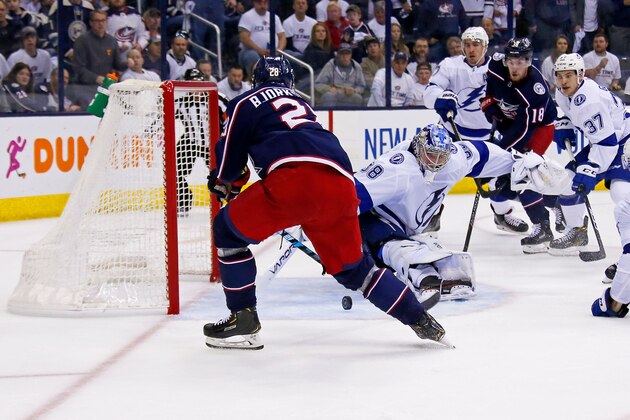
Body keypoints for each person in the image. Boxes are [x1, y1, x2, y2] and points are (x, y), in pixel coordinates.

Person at [203, 56, 449, 350]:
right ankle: (421, 320)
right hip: (342, 185)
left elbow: (230, 166)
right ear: (289, 82)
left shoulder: (244, 101)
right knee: (356, 270)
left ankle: (242, 319)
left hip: (293, 182)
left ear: (256, 81)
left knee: (227, 232)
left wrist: (224, 182)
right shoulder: (303, 104)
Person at [549, 52, 630, 317]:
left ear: (581, 75)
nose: (563, 81)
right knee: (567, 184)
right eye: (560, 76)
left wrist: (591, 168)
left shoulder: (589, 101)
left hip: (623, 141)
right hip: (607, 141)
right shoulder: (566, 91)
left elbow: (607, 146)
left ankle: (625, 261)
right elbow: (565, 107)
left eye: (569, 75)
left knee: (623, 197)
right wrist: (564, 123)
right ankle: (578, 232)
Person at [481, 37, 560, 253]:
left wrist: (497, 151)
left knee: (522, 172)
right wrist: (490, 109)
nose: (515, 68)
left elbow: (524, 131)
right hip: (511, 124)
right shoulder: (496, 65)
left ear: (528, 61)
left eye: (521, 62)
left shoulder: (536, 89)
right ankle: (555, 202)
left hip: (538, 130)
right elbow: (488, 92)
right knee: (501, 185)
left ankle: (542, 227)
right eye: (511, 62)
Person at [175, 67, 229, 216]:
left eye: (199, 83)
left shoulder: (217, 99)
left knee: (223, 173)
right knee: (174, 171)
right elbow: (162, 116)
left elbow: (229, 118)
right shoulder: (179, 102)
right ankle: (183, 202)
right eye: (192, 85)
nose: (197, 89)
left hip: (213, 143)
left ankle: (227, 201)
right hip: (190, 141)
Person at [238, 0, 286, 76]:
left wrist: (278, 51)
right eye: (260, 3)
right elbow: (244, 38)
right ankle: (257, 82)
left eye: (265, 3)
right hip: (251, 51)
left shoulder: (274, 17)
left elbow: (282, 36)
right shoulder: (247, 16)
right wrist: (259, 50)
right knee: (252, 56)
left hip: (274, 52)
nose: (262, 6)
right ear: (254, 2)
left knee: (294, 56)